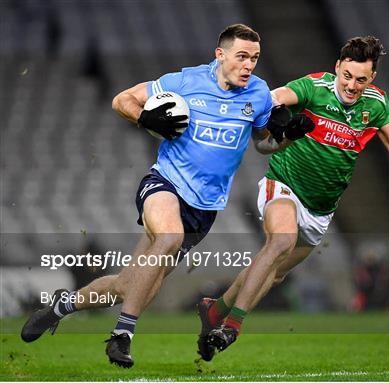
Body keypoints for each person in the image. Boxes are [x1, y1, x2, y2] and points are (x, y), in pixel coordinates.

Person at [20, 24, 313, 368]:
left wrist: (288, 137)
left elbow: (264, 145)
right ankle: (122, 335)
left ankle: (60, 307)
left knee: (129, 285)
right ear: (220, 55)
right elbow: (121, 100)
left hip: (204, 210)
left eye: (255, 58)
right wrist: (146, 118)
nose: (249, 65)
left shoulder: (259, 94)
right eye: (242, 57)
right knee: (169, 236)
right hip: (165, 184)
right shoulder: (186, 81)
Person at [196, 36, 389, 360]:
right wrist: (278, 114)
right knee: (280, 242)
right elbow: (272, 97)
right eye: (346, 76)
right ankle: (232, 327)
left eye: (360, 79)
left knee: (274, 273)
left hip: (320, 210)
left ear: (372, 78)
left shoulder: (376, 105)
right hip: (284, 184)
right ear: (337, 67)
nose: (351, 85)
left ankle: (215, 311)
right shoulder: (315, 87)